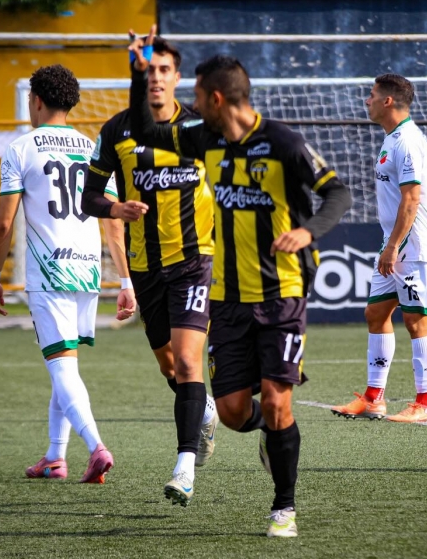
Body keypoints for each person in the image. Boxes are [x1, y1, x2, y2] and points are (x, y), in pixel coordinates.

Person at [126, 27, 352, 536]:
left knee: (276, 399)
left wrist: (307, 231)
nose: (190, 104)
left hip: (281, 294)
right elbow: (145, 131)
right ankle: (273, 431)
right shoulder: (205, 139)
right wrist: (139, 74)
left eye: (197, 95)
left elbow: (337, 193)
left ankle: (283, 508)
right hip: (226, 300)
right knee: (231, 412)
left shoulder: (284, 142)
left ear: (216, 98)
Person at [0, 64, 145, 483]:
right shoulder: (92, 146)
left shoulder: (21, 148)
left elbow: (4, 224)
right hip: (88, 268)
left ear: (36, 100)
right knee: (66, 362)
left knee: (61, 366)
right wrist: (125, 281)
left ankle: (96, 447)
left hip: (49, 269)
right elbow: (114, 221)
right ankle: (55, 457)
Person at [81, 35, 220, 505]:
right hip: (145, 267)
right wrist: (115, 208)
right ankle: (203, 410)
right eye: (150, 69)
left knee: (188, 361)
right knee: (170, 366)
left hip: (194, 261)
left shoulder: (200, 128)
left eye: (164, 70)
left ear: (177, 77)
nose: (156, 77)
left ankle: (185, 469)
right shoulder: (117, 129)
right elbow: (88, 196)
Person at [331, 74, 427, 423]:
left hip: (415, 244)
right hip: (396, 242)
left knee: (415, 318)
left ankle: (425, 404)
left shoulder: (408, 141)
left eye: (371, 95)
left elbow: (412, 199)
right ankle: (373, 399)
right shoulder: (393, 138)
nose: (366, 101)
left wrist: (393, 246)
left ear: (388, 101)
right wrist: (391, 244)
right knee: (376, 313)